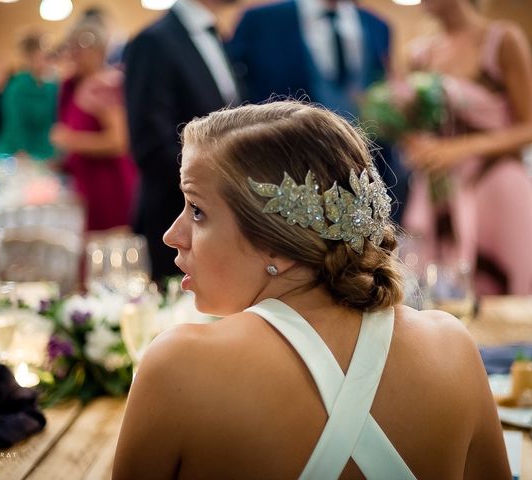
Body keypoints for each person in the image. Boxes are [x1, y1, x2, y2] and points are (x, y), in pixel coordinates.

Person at [113, 101, 510, 479]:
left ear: (277, 244)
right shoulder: (452, 346)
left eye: (197, 210)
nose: (171, 235)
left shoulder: (178, 367)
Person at [401, 0, 532, 322]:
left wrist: (459, 150)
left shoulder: (501, 40)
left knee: (513, 295)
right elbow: (419, 126)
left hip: (498, 186)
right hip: (441, 189)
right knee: (441, 293)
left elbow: (527, 129)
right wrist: (417, 145)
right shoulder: (420, 54)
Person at [227, 0, 409, 224]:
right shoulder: (261, 21)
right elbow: (231, 95)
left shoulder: (377, 25)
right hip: (283, 177)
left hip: (361, 183)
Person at [124, 0, 240, 283]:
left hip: (224, 220)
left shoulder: (219, 38)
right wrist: (219, 190)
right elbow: (151, 145)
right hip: (176, 217)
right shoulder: (153, 43)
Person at [51, 18, 138, 232]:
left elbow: (118, 141)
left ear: (100, 51)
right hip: (86, 184)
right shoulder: (72, 86)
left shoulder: (104, 85)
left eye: (83, 48)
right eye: (73, 48)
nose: (76, 55)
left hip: (109, 186)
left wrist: (71, 141)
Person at [0, 32, 57, 160]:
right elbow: (13, 123)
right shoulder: (17, 86)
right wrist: (20, 150)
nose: (48, 60)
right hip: (16, 152)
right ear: (30, 56)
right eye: (43, 55)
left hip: (45, 151)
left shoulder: (51, 87)